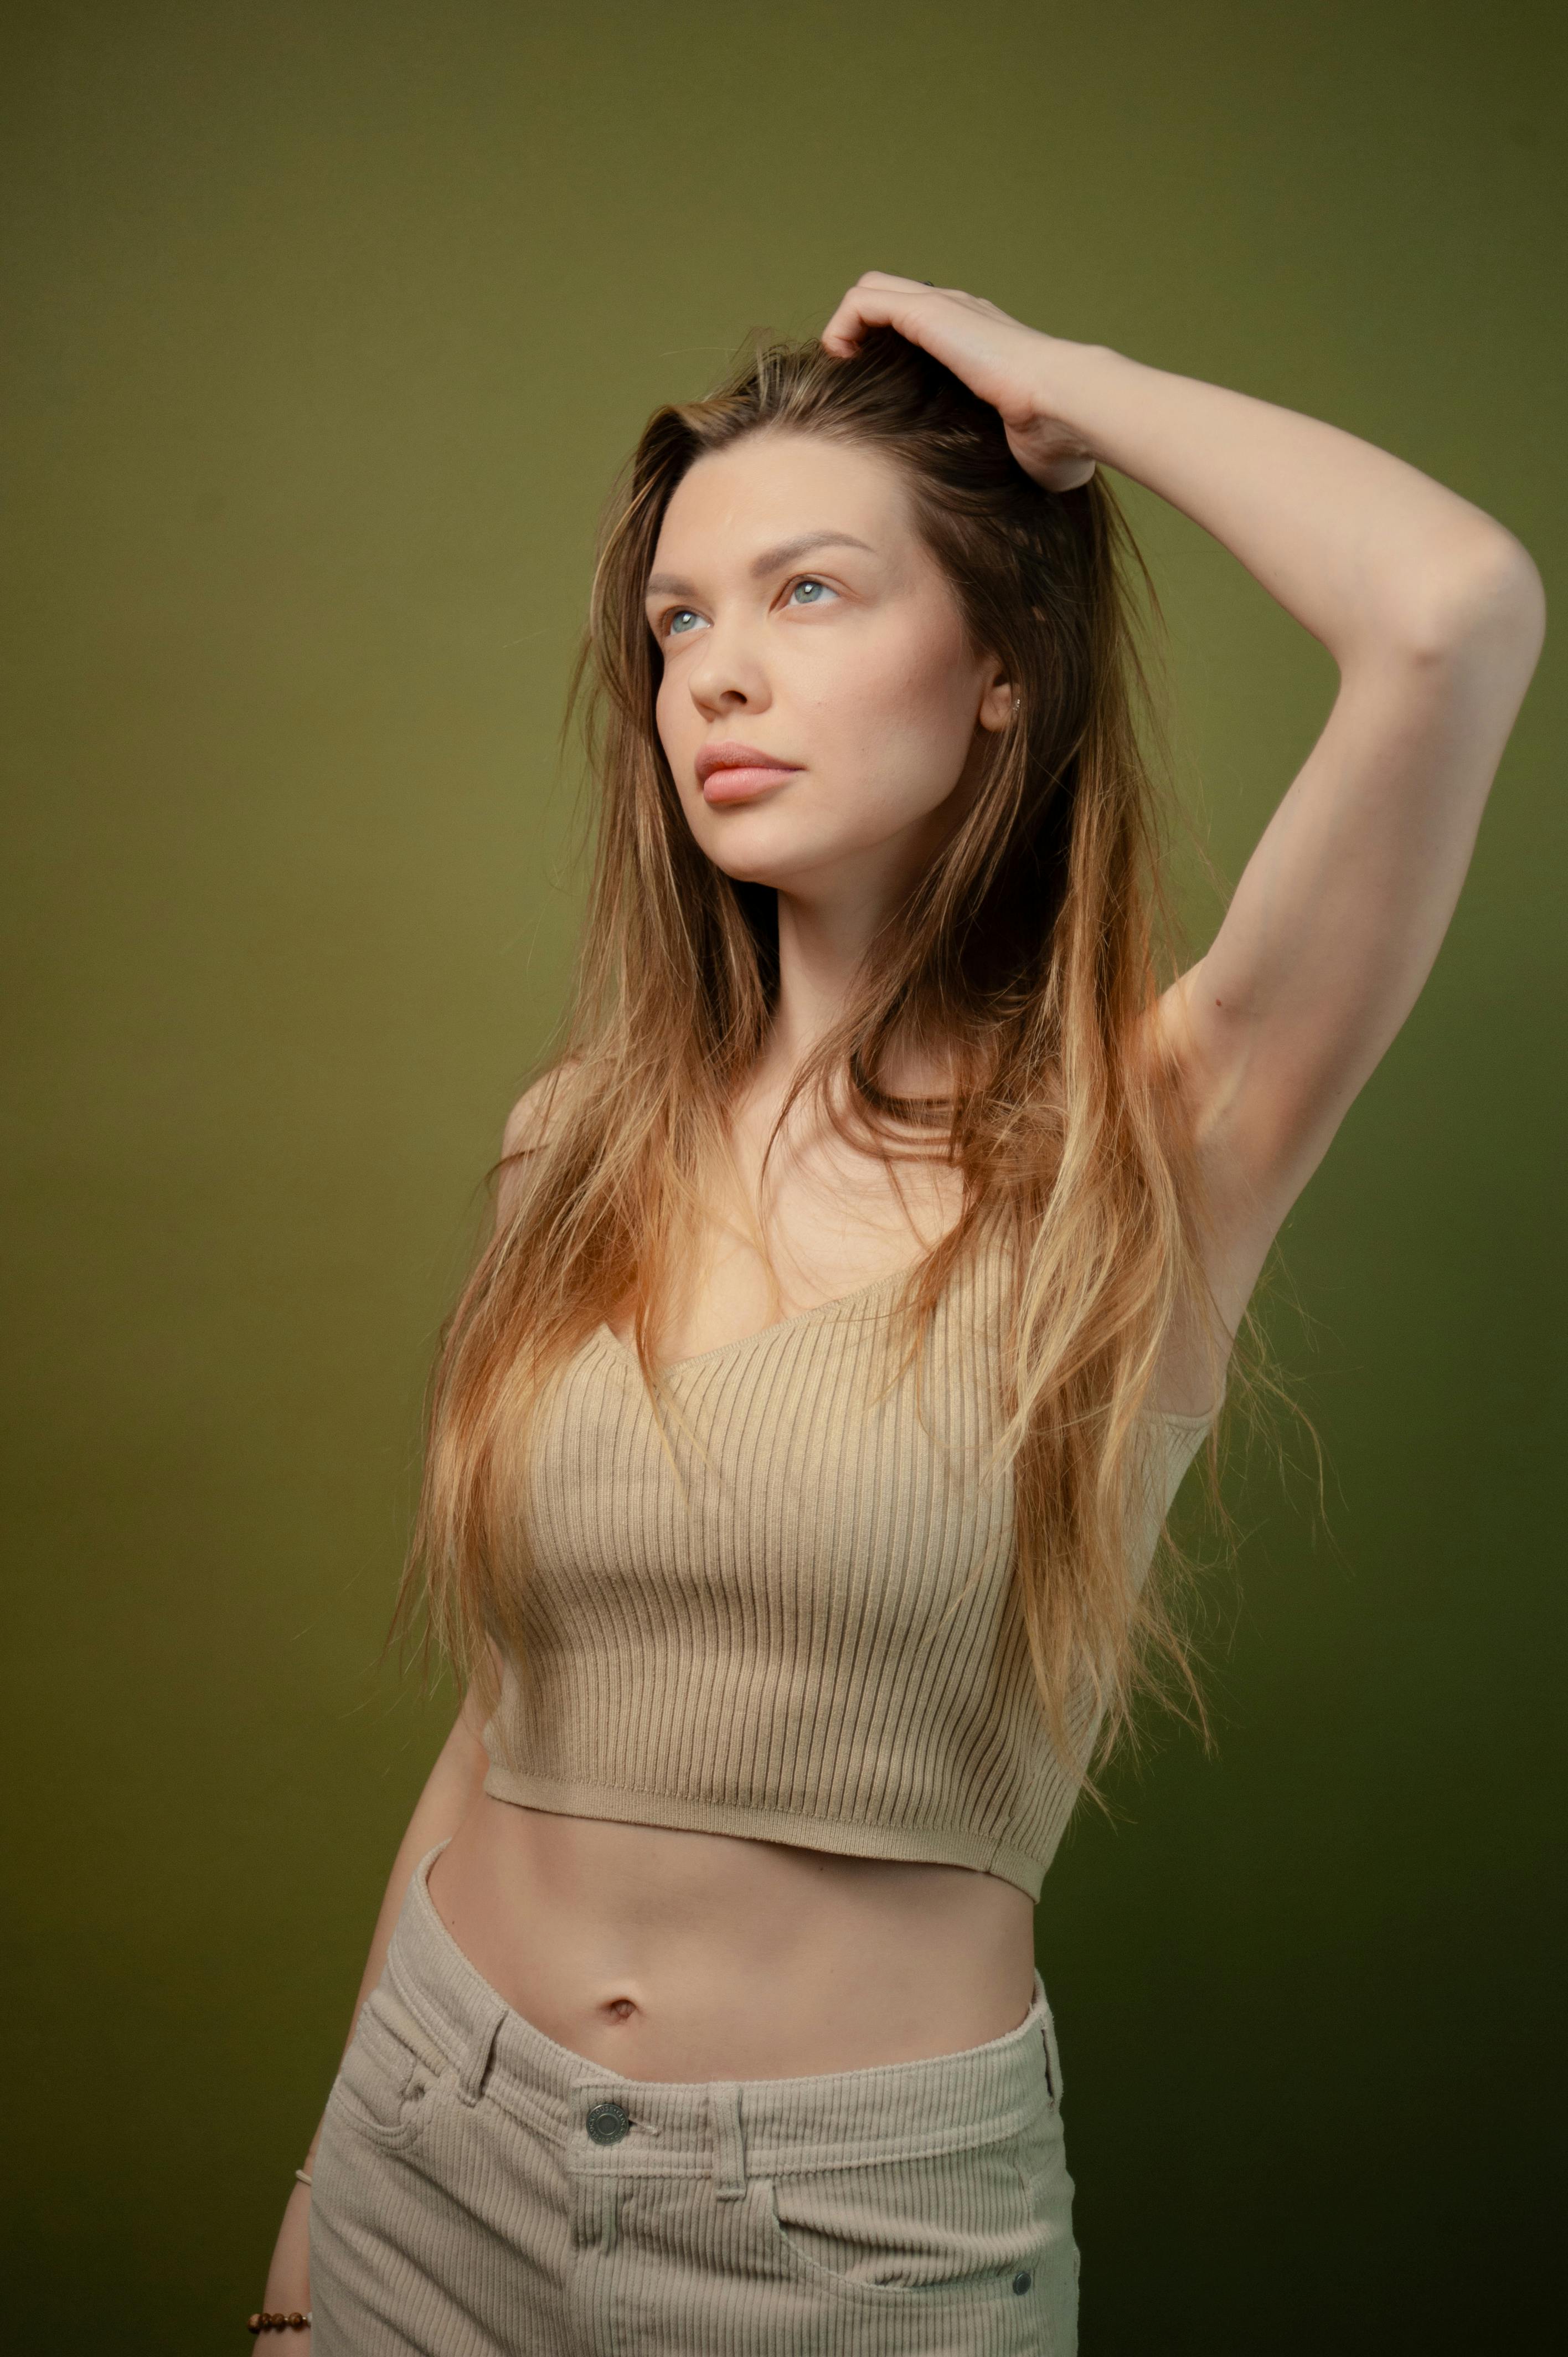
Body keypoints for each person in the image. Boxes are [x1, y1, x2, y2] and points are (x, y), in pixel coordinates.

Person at [251, 274, 1543, 2353]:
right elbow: (509, 1713)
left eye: (812, 594)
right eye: (679, 623)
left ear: (1005, 664)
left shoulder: (1163, 1138)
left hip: (853, 2246)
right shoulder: (567, 1140)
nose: (718, 678)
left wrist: (1068, 398)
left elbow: (1451, 609)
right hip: (434, 2143)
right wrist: (328, 2200)